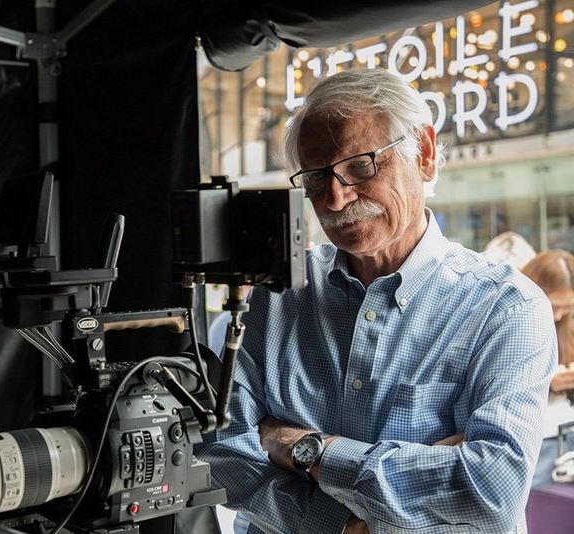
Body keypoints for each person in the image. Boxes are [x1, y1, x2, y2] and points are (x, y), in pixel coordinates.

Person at [195, 68, 557, 534]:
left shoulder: (506, 307)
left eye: (360, 166)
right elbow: (221, 450)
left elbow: (491, 490)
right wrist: (339, 525)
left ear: (423, 154)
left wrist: (308, 449)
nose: (336, 195)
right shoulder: (275, 299)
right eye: (315, 177)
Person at [521, 250, 574, 487]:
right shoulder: (515, 324)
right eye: (555, 306)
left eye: (567, 308)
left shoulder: (565, 326)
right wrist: (547, 383)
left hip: (564, 435)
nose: (559, 315)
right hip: (534, 441)